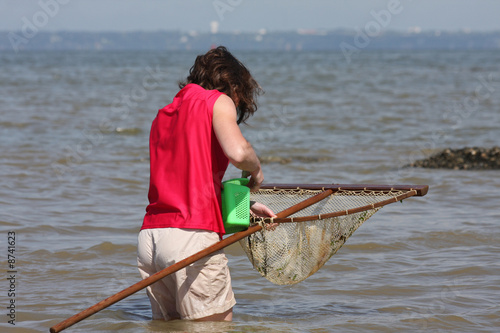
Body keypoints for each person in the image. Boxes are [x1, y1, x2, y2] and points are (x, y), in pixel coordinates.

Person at [137, 46, 276, 322]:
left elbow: (187, 181)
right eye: (239, 98)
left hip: (150, 241)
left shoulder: (163, 115)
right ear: (233, 85)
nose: (236, 106)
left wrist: (244, 203)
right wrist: (256, 171)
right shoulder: (218, 101)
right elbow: (238, 153)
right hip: (190, 240)